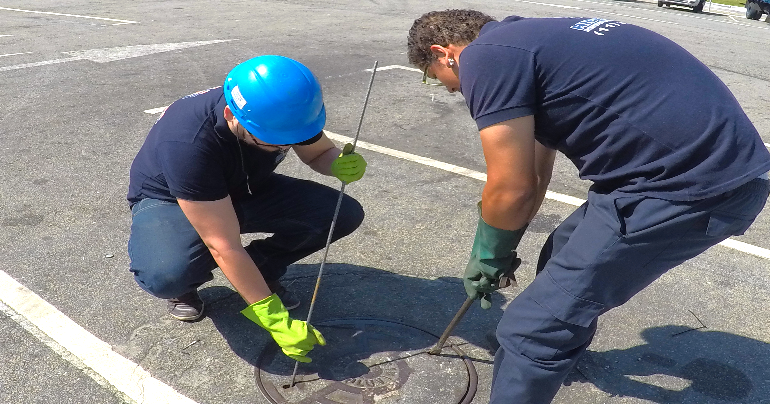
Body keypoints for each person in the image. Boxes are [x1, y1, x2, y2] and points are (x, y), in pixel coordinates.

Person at [408, 9, 770, 403]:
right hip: (683, 172)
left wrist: (488, 252)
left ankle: (538, 349)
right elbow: (532, 175)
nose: (447, 89)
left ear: (442, 53)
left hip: (687, 189)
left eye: (434, 76)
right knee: (561, 252)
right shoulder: (528, 37)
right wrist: (505, 243)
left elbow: (511, 187)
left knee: (529, 329)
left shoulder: (484, 57)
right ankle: (551, 352)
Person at [127, 55, 367, 363]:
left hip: (244, 185)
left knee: (341, 213)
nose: (284, 147)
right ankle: (185, 286)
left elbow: (318, 152)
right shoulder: (188, 144)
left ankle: (261, 268)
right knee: (167, 273)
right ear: (231, 115)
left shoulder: (281, 108)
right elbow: (223, 244)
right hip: (172, 199)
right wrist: (273, 318)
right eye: (273, 142)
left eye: (289, 141)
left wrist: (338, 163)